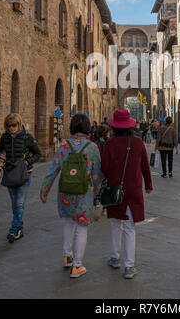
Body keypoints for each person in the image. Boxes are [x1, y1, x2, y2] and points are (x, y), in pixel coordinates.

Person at [40, 114, 102, 279]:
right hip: (84, 194)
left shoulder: (63, 146)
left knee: (68, 222)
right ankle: (77, 266)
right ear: (87, 128)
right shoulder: (92, 148)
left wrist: (44, 191)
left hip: (65, 192)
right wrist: (97, 192)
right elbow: (97, 175)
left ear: (72, 127)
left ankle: (67, 256)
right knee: (82, 228)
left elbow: (53, 170)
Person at [101, 109, 153, 280]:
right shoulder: (137, 142)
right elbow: (145, 165)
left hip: (115, 189)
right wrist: (148, 185)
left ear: (114, 126)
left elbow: (104, 169)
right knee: (130, 227)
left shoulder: (109, 143)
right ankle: (129, 267)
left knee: (116, 223)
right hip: (134, 189)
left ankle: (115, 258)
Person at [0, 113, 41, 243]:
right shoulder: (4, 137)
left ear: (19, 124)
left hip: (24, 174)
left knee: (19, 203)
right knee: (14, 204)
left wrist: (27, 162)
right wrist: (0, 155)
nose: (11, 128)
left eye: (14, 125)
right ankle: (20, 228)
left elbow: (38, 153)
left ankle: (14, 230)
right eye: (9, 125)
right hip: (10, 173)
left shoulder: (27, 137)